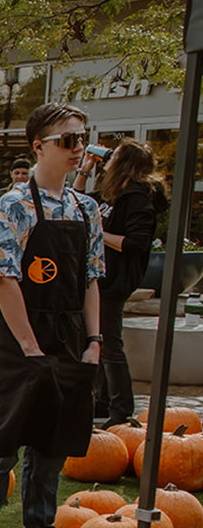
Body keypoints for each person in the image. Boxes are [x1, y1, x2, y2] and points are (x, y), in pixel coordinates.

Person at [0, 101, 105, 528]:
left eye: (82, 138)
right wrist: (29, 347)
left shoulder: (87, 209)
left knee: (52, 444)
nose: (78, 148)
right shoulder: (15, 203)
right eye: (68, 140)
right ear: (38, 145)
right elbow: (1, 278)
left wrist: (94, 342)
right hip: (23, 339)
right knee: (3, 445)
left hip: (70, 340)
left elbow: (90, 281)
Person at [81, 140, 166, 426]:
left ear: (125, 163)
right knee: (100, 341)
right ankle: (101, 402)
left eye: (113, 155)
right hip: (99, 277)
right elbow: (78, 203)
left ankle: (120, 409)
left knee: (109, 343)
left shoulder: (138, 200)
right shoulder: (113, 194)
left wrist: (98, 233)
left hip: (114, 280)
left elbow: (135, 243)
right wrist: (84, 169)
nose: (108, 159)